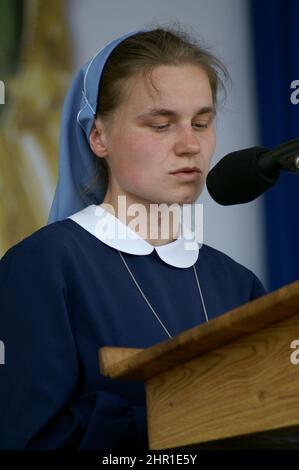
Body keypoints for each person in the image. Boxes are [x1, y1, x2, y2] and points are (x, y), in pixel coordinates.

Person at [0, 27, 266, 450]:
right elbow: (29, 440)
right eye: (161, 125)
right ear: (98, 137)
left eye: (202, 122)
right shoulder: (44, 265)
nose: (190, 144)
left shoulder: (236, 282)